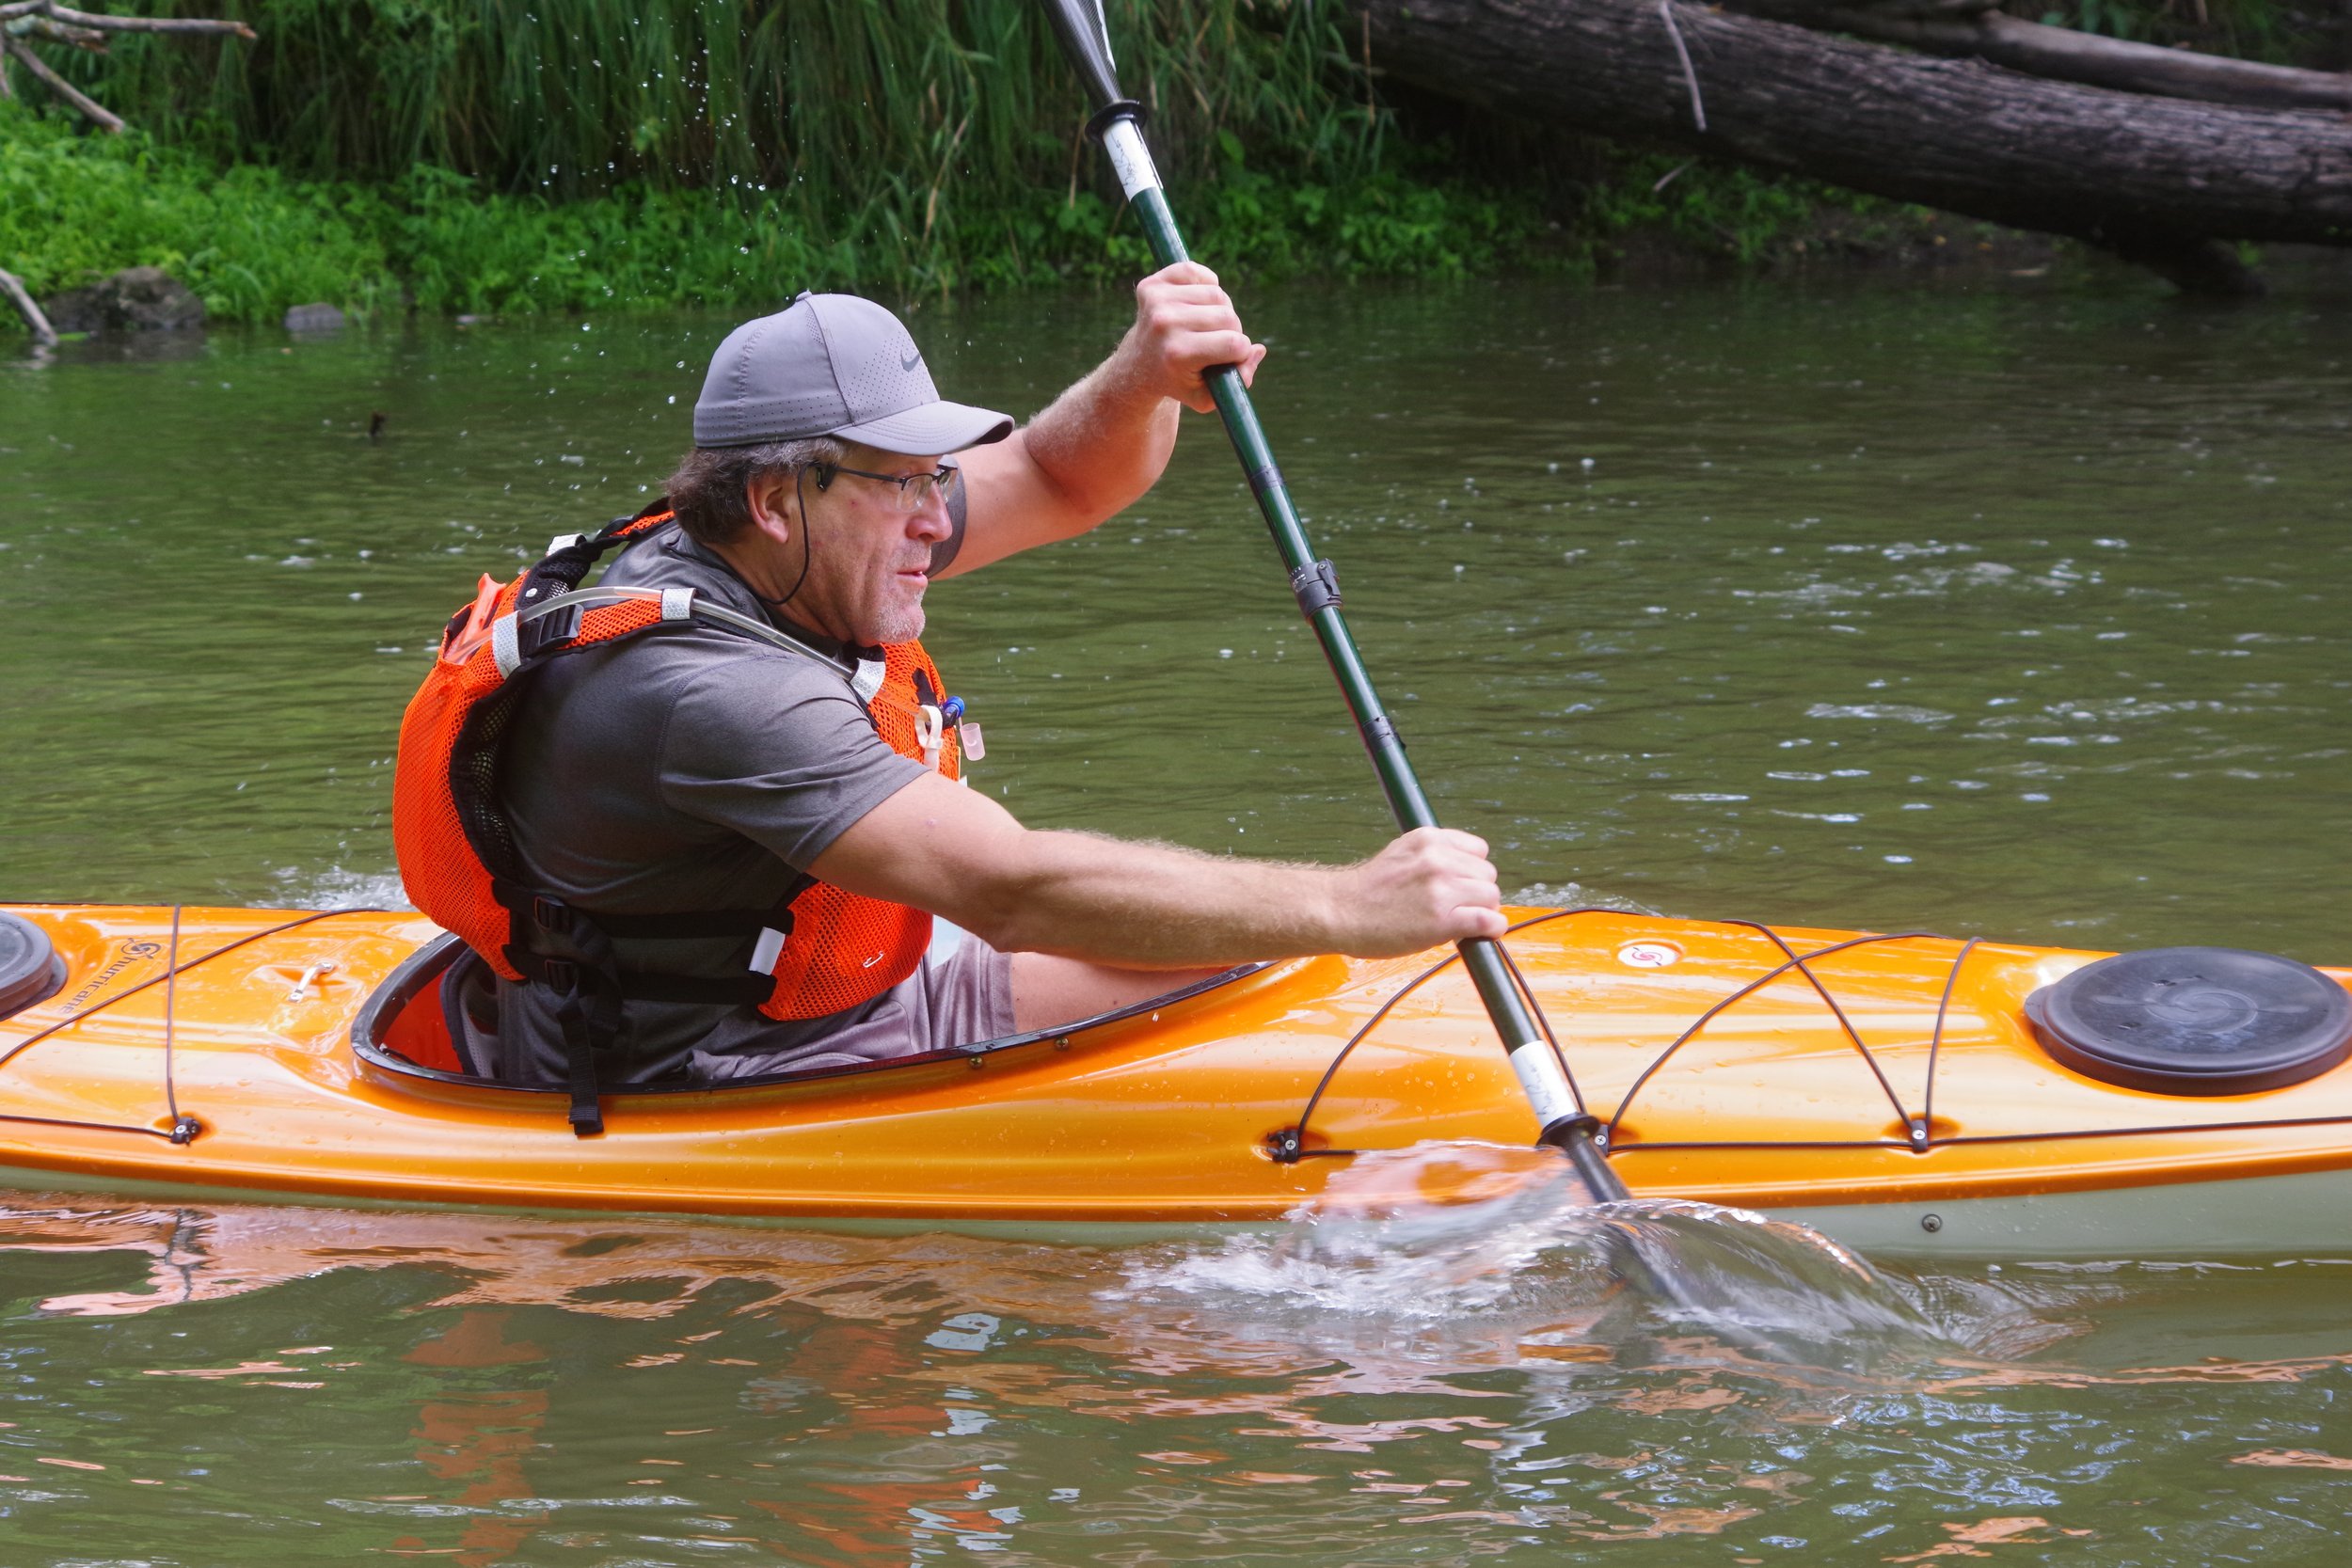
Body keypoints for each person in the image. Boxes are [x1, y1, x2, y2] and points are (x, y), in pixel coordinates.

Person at [447, 263, 1504, 1095]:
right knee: (1268, 955)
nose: (933, 517)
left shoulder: (785, 543)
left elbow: (1057, 474)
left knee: (1239, 951)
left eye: (937, 475)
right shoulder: (705, 693)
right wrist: (1343, 902)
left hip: (789, 995)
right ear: (775, 498)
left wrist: (1143, 373)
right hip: (707, 1070)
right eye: (900, 481)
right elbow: (1012, 888)